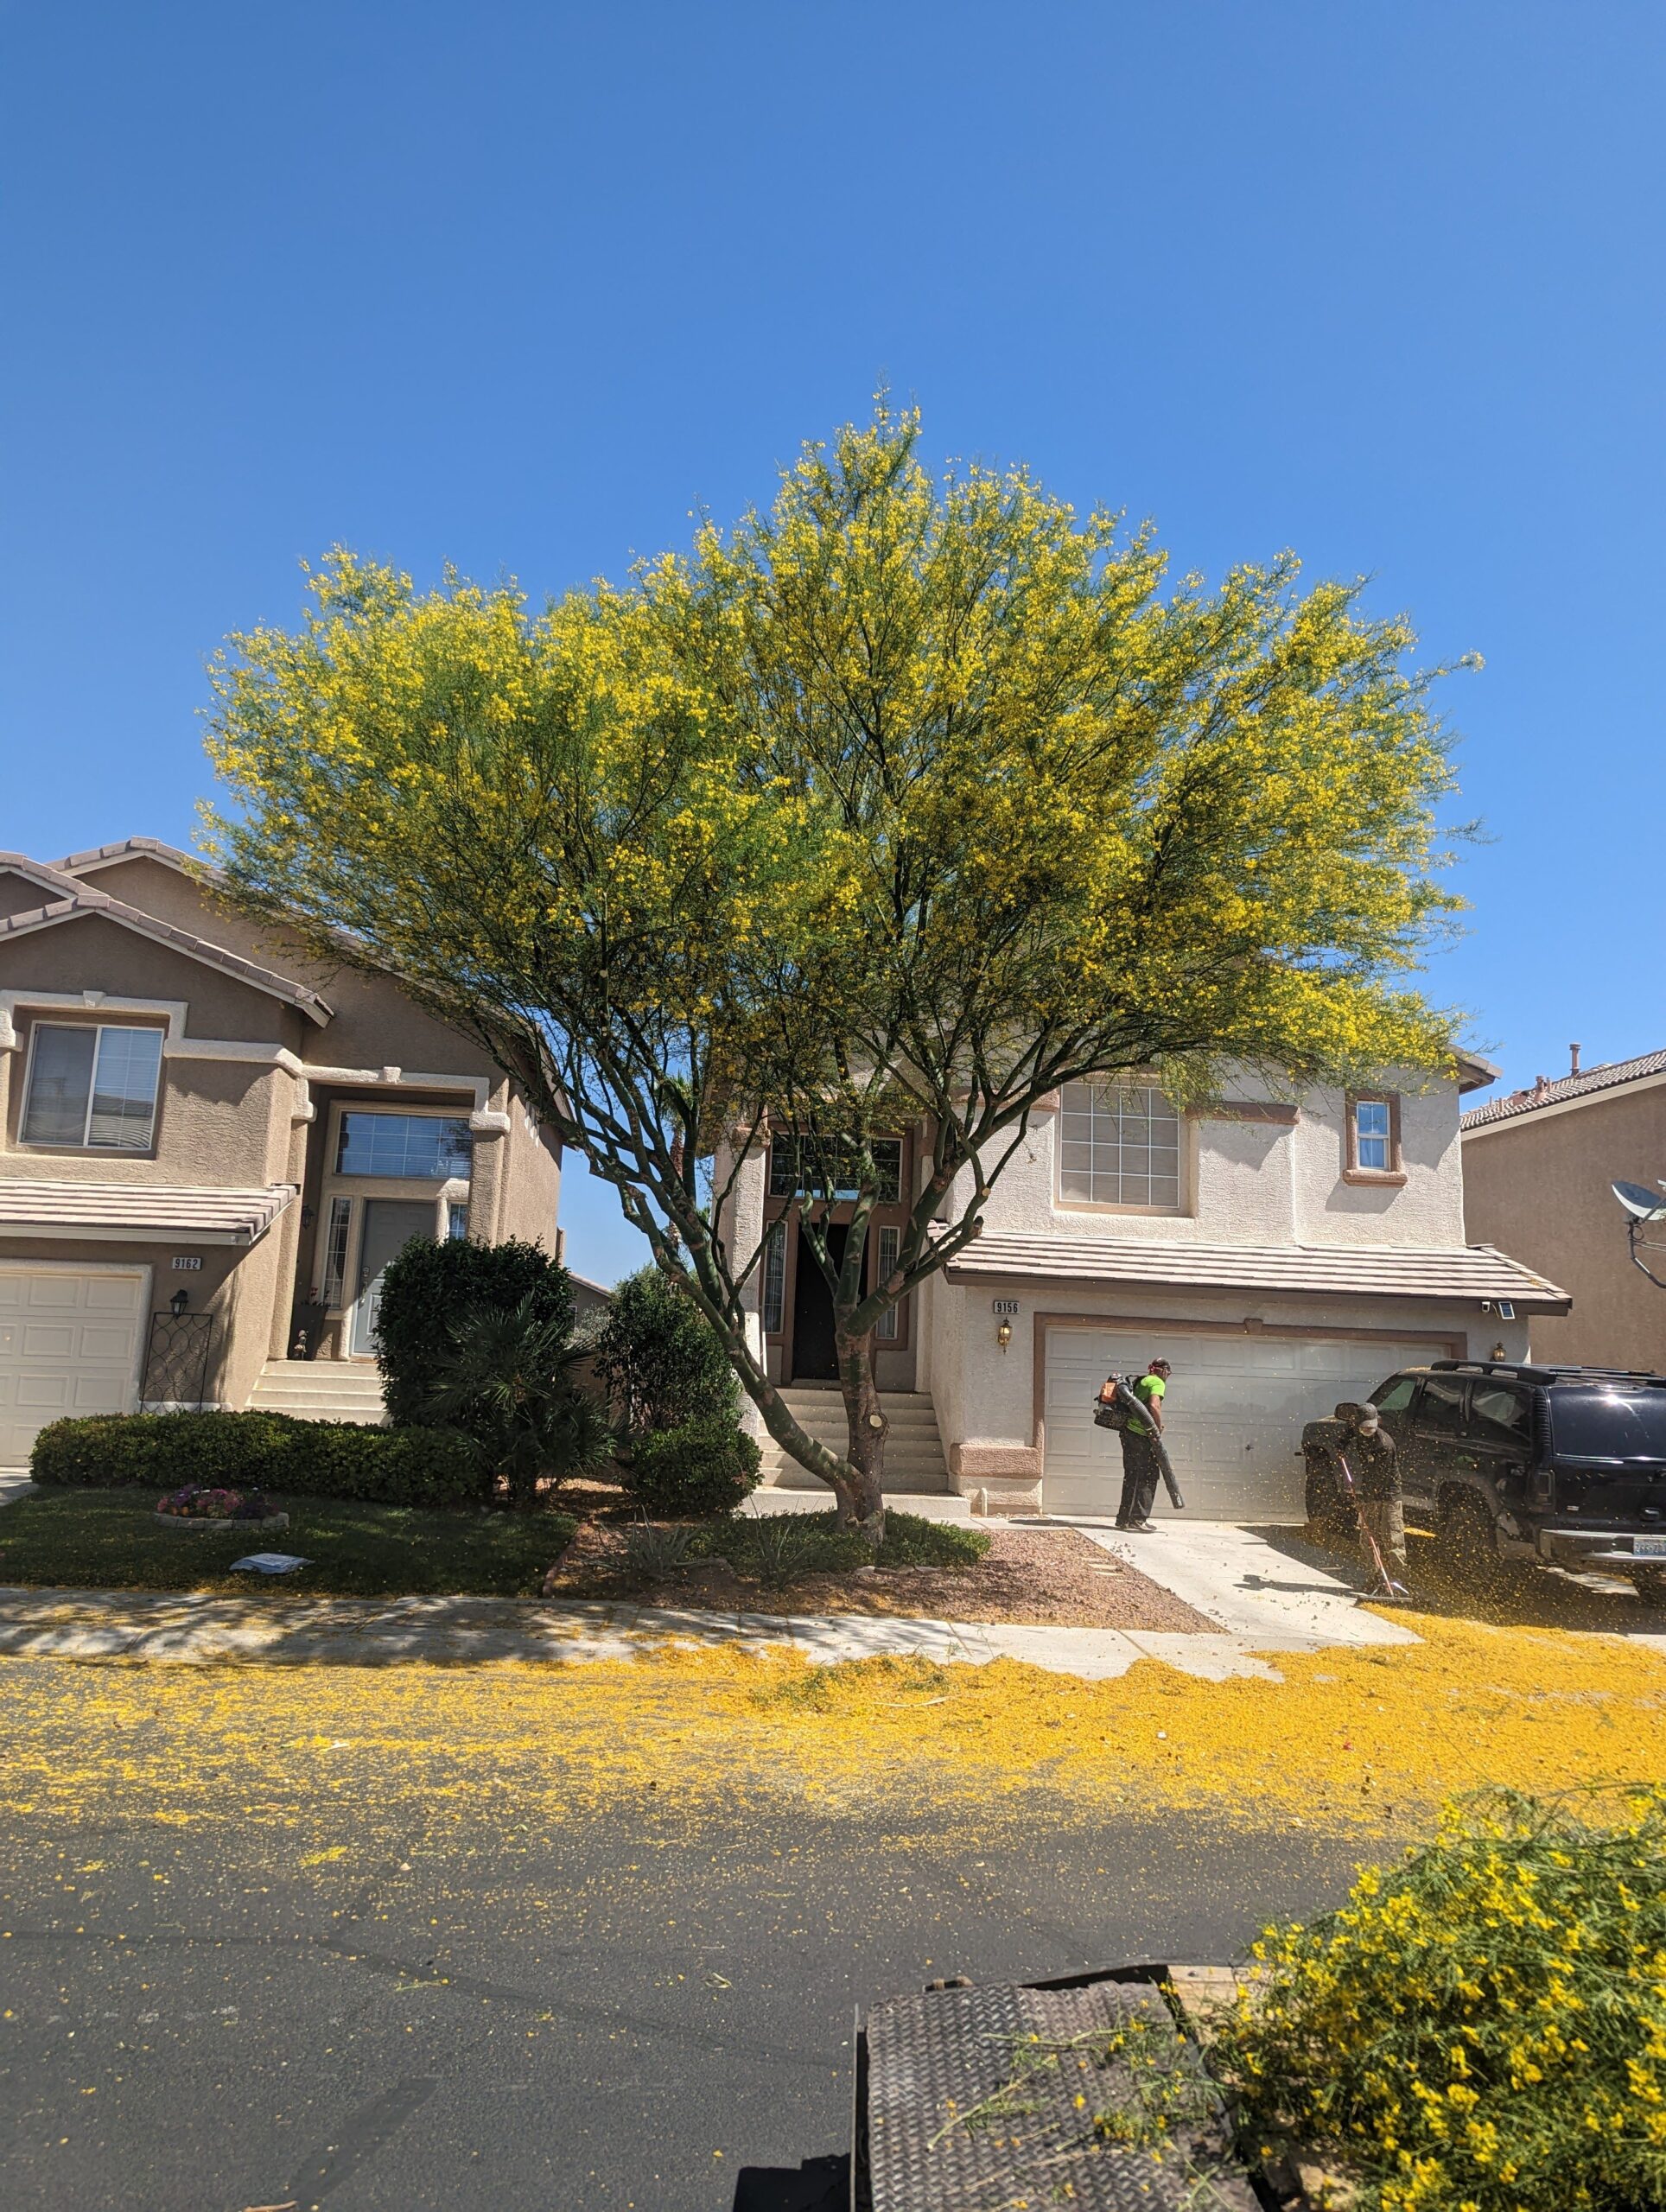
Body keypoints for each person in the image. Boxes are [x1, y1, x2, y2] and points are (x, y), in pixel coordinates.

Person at [1102, 1357, 1173, 1531]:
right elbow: (1154, 1406)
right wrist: (1157, 1429)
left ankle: (1123, 1519)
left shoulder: (1141, 1380)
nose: (1168, 1376)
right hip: (1141, 1435)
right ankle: (1138, 1519)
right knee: (1149, 1475)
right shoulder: (1157, 1381)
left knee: (1132, 1475)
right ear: (1163, 1370)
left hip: (1127, 1433)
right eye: (1168, 1373)